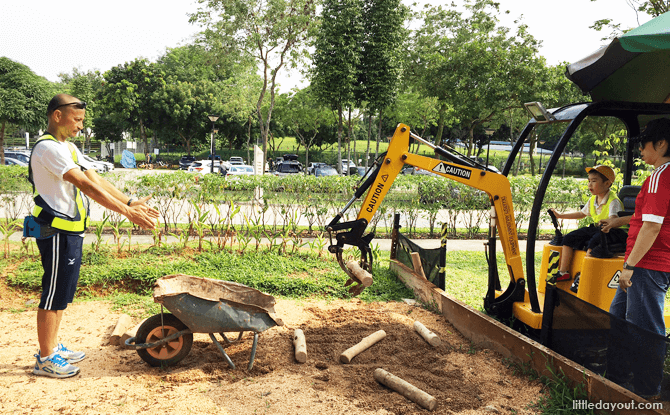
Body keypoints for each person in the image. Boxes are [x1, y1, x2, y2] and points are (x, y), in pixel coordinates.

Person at [29, 94, 159, 378]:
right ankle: (45, 358)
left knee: (62, 291)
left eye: (82, 121)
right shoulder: (48, 148)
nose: (80, 126)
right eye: (76, 120)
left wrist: (130, 201)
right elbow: (84, 186)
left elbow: (95, 178)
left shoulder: (67, 147)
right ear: (57, 116)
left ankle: (51, 347)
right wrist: (126, 212)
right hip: (55, 231)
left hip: (70, 231)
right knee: (52, 294)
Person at [604, 117, 670, 398]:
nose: (640, 150)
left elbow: (652, 225)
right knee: (618, 315)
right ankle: (618, 379)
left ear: (661, 143)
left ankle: (646, 393)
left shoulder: (659, 176)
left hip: (646, 264)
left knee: (645, 329)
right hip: (646, 262)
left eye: (644, 144)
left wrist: (630, 265)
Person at [548, 165, 627, 281]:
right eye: (589, 181)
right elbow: (581, 214)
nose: (590, 184)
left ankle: (583, 275)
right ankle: (563, 271)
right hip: (600, 229)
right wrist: (560, 216)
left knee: (593, 242)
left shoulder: (613, 201)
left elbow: (614, 220)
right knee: (569, 238)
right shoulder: (593, 199)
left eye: (594, 181)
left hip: (615, 231)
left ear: (607, 184)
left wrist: (606, 224)